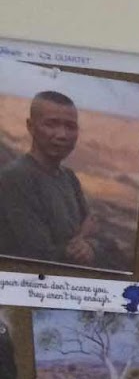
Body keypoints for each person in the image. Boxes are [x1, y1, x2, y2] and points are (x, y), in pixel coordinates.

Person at [0, 91, 96, 266]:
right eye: (51, 124)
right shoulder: (15, 178)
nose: (62, 135)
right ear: (30, 126)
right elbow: (36, 253)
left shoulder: (69, 177)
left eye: (70, 126)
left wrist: (88, 245)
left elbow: (92, 226)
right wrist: (80, 241)